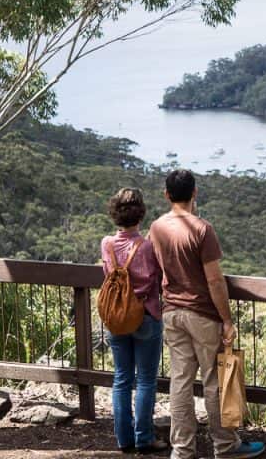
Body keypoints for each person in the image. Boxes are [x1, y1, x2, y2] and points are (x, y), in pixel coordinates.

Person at [149, 169, 265, 459]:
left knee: (180, 382)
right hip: (202, 313)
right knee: (214, 381)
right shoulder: (202, 229)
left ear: (166, 195)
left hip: (172, 312)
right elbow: (215, 280)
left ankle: (183, 450)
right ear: (195, 193)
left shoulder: (157, 227)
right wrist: (227, 320)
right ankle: (225, 446)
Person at [101, 188, 170, 455]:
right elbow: (159, 278)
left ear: (115, 214)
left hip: (116, 317)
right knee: (145, 381)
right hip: (146, 315)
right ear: (140, 214)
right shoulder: (148, 246)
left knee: (121, 379)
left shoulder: (106, 244)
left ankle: (124, 439)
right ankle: (144, 438)